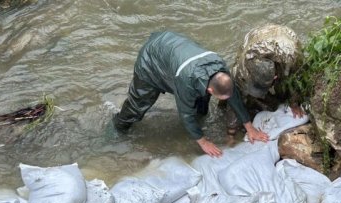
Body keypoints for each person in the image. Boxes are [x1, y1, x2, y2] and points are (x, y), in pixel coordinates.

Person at [113, 31, 269, 157]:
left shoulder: (221, 69)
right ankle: (117, 128)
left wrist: (249, 127)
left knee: (201, 108)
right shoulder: (186, 82)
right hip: (152, 60)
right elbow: (185, 114)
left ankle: (200, 120)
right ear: (211, 90)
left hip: (178, 51)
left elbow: (232, 95)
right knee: (137, 106)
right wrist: (203, 141)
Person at [221, 24, 306, 136]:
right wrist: (231, 130)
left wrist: (294, 103)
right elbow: (234, 95)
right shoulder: (244, 67)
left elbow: (295, 79)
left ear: (275, 77)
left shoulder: (291, 59)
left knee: (285, 87)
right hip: (256, 38)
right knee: (240, 93)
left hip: (285, 40)